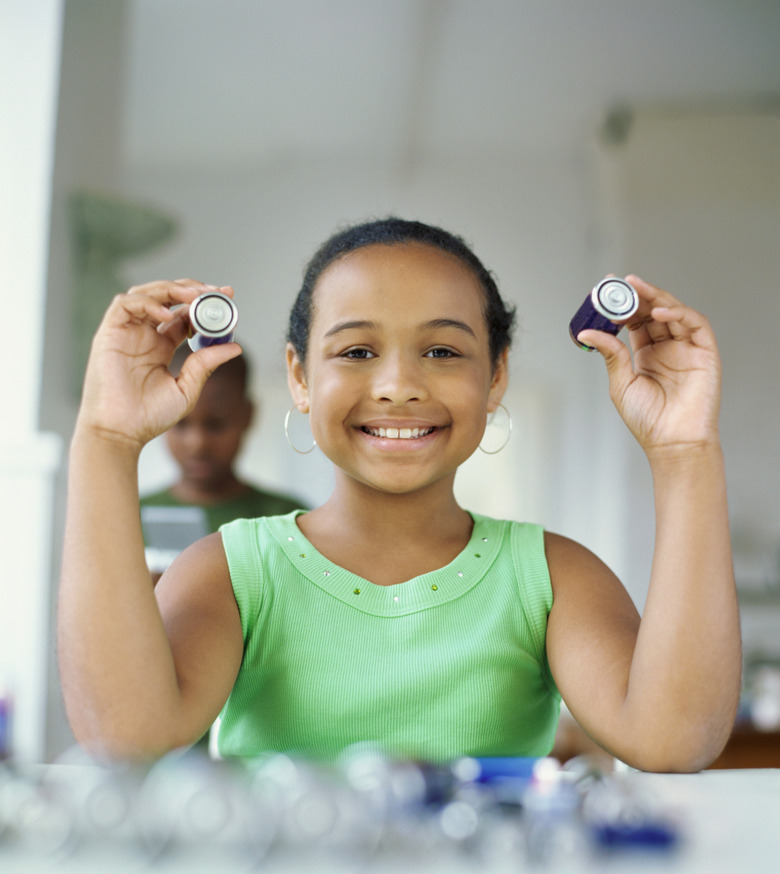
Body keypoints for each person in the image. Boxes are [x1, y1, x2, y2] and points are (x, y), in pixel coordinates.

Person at [58, 218, 742, 771]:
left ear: (496, 375)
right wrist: (104, 439)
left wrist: (684, 454)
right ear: (299, 375)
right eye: (356, 351)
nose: (398, 385)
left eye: (442, 352)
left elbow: (676, 741)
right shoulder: (231, 571)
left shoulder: (554, 577)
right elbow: (126, 737)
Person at [139, 349, 303, 579]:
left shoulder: (288, 520)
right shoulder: (131, 518)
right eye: (180, 424)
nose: (198, 444)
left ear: (247, 416)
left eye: (216, 425)